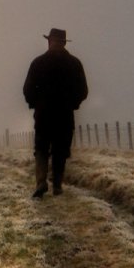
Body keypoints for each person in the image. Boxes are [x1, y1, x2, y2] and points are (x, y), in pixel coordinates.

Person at [22, 28, 88, 198]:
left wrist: (34, 103)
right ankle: (57, 185)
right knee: (61, 150)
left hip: (43, 114)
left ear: (49, 41)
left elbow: (27, 89)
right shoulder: (74, 63)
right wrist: (74, 104)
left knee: (42, 149)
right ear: (64, 43)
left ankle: (41, 182)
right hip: (65, 115)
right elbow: (83, 90)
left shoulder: (38, 63)